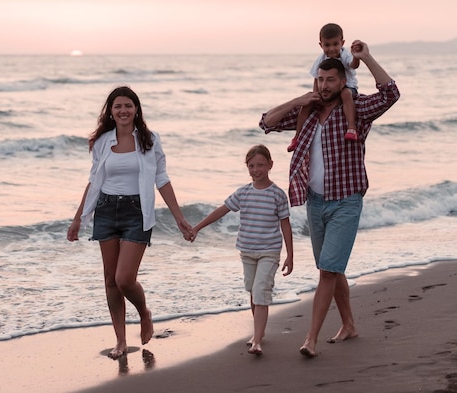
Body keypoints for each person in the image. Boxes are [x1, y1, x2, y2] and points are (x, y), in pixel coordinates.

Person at [259, 41, 400, 358]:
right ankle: (349, 324)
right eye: (320, 80)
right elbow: (266, 122)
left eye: (331, 80)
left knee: (326, 271)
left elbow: (391, 93)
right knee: (332, 269)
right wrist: (300, 99)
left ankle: (311, 338)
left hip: (346, 202)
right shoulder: (307, 114)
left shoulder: (358, 111)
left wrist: (366, 58)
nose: (324, 86)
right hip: (315, 202)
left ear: (343, 81)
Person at [67, 86, 193, 360]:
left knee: (124, 279)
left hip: (137, 212)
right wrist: (78, 218)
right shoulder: (101, 142)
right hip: (106, 209)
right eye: (117, 106)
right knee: (110, 281)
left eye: (128, 105)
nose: (123, 111)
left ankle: (144, 312)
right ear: (110, 112)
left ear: (136, 109)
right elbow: (93, 181)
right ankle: (121, 340)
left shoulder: (149, 140)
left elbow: (162, 179)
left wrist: (179, 217)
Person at [189, 144, 293, 356]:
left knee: (261, 291)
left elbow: (285, 224)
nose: (256, 169)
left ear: (270, 165)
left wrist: (290, 254)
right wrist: (197, 227)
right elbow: (222, 210)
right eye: (251, 165)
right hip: (247, 251)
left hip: (269, 251)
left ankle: (257, 340)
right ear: (247, 167)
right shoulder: (243, 193)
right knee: (253, 292)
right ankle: (259, 332)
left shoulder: (278, 194)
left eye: (261, 165)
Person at [287, 23, 360, 153]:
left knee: (346, 94)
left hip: (348, 87)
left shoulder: (345, 55)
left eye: (335, 44)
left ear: (342, 43)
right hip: (328, 90)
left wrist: (357, 56)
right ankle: (297, 137)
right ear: (321, 45)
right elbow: (316, 77)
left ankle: (351, 127)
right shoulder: (321, 59)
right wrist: (315, 95)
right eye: (327, 45)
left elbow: (353, 65)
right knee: (308, 102)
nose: (331, 48)